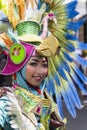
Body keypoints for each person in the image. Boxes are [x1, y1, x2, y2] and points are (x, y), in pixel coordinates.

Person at [0, 0, 87, 130]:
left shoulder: (47, 101)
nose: (41, 71)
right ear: (19, 66)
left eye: (44, 65)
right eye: (34, 63)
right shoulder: (7, 102)